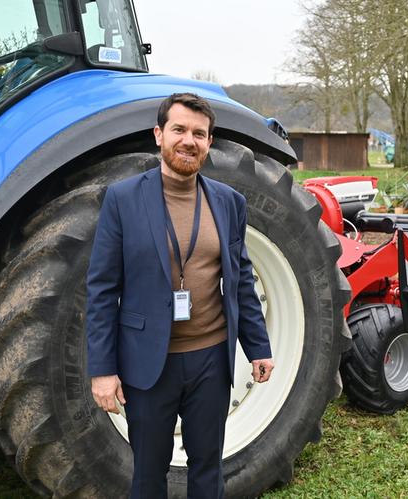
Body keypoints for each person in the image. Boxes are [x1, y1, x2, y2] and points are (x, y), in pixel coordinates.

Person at [86, 92, 274, 499]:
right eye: (180, 130)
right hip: (148, 363)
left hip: (211, 360)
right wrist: (102, 369)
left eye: (200, 134)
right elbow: (102, 289)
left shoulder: (228, 203)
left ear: (209, 143)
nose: (189, 140)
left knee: (208, 470)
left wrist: (258, 347)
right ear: (159, 135)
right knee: (148, 475)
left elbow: (241, 279)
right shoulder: (122, 199)